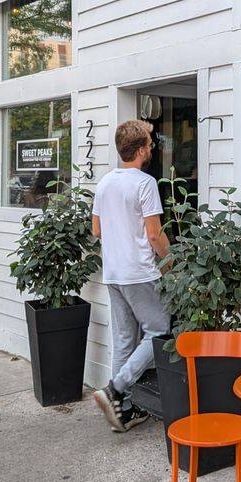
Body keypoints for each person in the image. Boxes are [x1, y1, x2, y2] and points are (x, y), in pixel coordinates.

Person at [91, 119, 171, 433]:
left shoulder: (105, 182)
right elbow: (155, 235)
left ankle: (120, 413)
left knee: (124, 340)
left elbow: (96, 229)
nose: (152, 148)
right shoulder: (144, 183)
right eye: (150, 144)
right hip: (140, 272)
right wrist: (172, 261)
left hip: (113, 271)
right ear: (140, 150)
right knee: (160, 332)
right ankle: (116, 388)